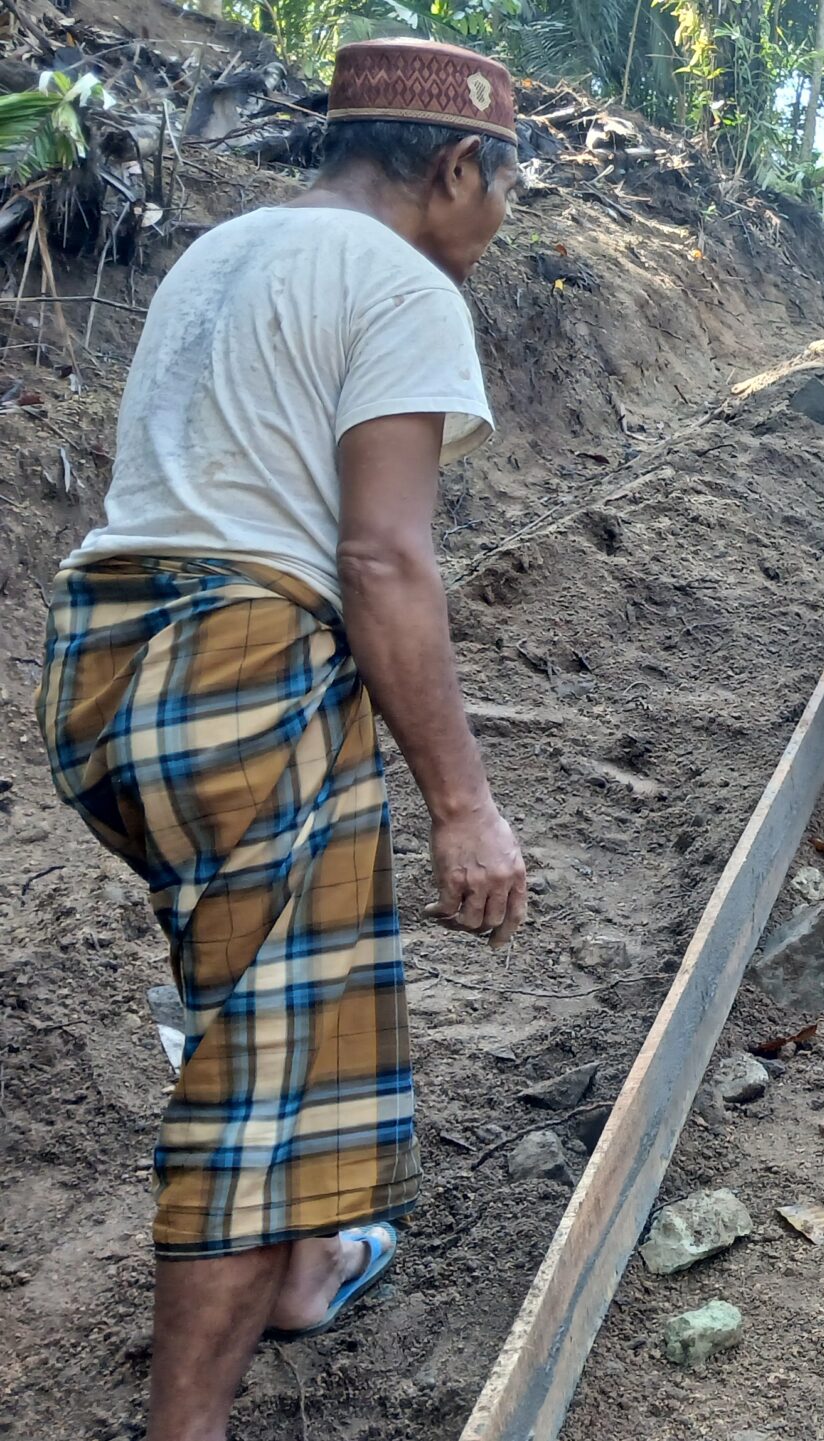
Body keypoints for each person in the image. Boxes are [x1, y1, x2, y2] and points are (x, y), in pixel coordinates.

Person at [35, 38, 528, 1440]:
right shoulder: (403, 286)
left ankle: (309, 1264)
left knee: (254, 975)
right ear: (454, 168)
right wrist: (463, 801)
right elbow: (383, 561)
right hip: (244, 668)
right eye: (505, 191)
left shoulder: (225, 251)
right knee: (255, 1074)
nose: (499, 223)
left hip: (103, 668)